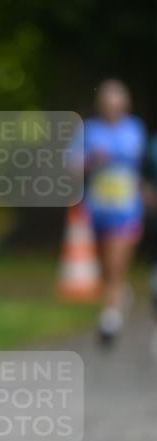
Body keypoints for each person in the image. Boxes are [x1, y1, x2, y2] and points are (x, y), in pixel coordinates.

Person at [77, 80, 147, 345]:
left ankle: (110, 318)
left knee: (117, 264)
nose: (111, 106)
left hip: (127, 209)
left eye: (116, 101)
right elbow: (72, 164)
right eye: (107, 102)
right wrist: (92, 159)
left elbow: (135, 164)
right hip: (96, 210)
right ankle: (119, 296)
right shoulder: (89, 130)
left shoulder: (134, 129)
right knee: (106, 267)